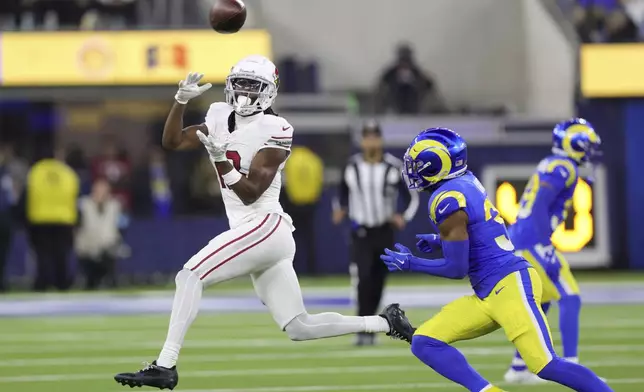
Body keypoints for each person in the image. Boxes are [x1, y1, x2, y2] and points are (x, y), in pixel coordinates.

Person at [114, 56, 411, 390]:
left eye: (251, 85)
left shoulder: (276, 128)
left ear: (268, 92)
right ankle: (386, 322)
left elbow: (251, 193)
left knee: (190, 274)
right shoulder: (217, 115)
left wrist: (219, 159)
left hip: (265, 225)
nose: (243, 92)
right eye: (239, 83)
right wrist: (180, 101)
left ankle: (165, 364)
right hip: (255, 233)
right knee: (300, 327)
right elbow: (172, 142)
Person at [380, 128, 613, 392]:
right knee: (424, 341)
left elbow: (457, 269)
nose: (411, 169)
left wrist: (412, 263)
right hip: (489, 292)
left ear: (436, 164)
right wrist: (439, 241)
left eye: (417, 163)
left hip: (509, 285)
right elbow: (481, 231)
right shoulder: (465, 182)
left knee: (546, 364)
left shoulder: (447, 199)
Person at [503, 118, 602, 384]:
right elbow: (538, 208)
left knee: (543, 299)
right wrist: (544, 247)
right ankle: (572, 367)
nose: (591, 152)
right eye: (588, 146)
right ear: (576, 145)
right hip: (531, 239)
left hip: (524, 238)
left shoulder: (555, 163)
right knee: (570, 296)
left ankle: (519, 367)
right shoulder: (564, 167)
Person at [332, 120, 419, 346]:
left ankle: (369, 326)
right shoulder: (351, 166)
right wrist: (340, 209)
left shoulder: (393, 166)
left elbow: (412, 197)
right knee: (364, 278)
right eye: (367, 136)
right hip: (360, 230)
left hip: (384, 230)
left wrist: (403, 216)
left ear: (380, 139)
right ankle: (363, 328)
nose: (371, 141)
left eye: (374, 136)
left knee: (379, 279)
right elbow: (340, 194)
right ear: (362, 140)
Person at [23, 148, 79, 291]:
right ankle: (62, 283)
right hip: (64, 219)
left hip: (40, 218)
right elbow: (74, 194)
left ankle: (43, 283)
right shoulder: (67, 172)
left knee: (43, 254)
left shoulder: (36, 171)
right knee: (61, 253)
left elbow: (28, 194)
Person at [76, 178, 123, 290]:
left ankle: (109, 280)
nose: (101, 193)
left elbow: (117, 228)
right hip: (87, 248)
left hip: (107, 248)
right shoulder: (83, 205)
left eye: (104, 190)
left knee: (110, 252)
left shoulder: (114, 206)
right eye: (98, 190)